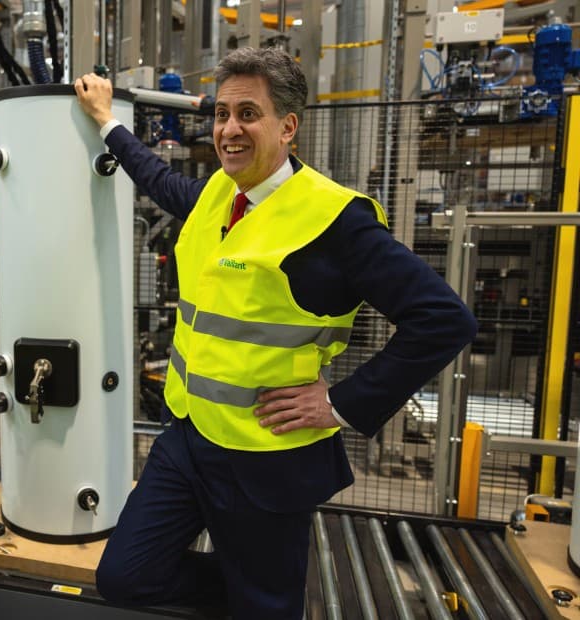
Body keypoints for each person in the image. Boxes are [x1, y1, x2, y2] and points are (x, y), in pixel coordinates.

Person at [74, 47, 477, 618]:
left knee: (264, 603)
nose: (229, 129)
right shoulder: (217, 194)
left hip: (265, 457)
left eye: (247, 114)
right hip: (188, 440)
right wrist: (106, 119)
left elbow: (444, 320)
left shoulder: (335, 221)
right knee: (125, 577)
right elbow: (157, 178)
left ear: (287, 126)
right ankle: (257, 596)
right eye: (221, 114)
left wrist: (340, 404)